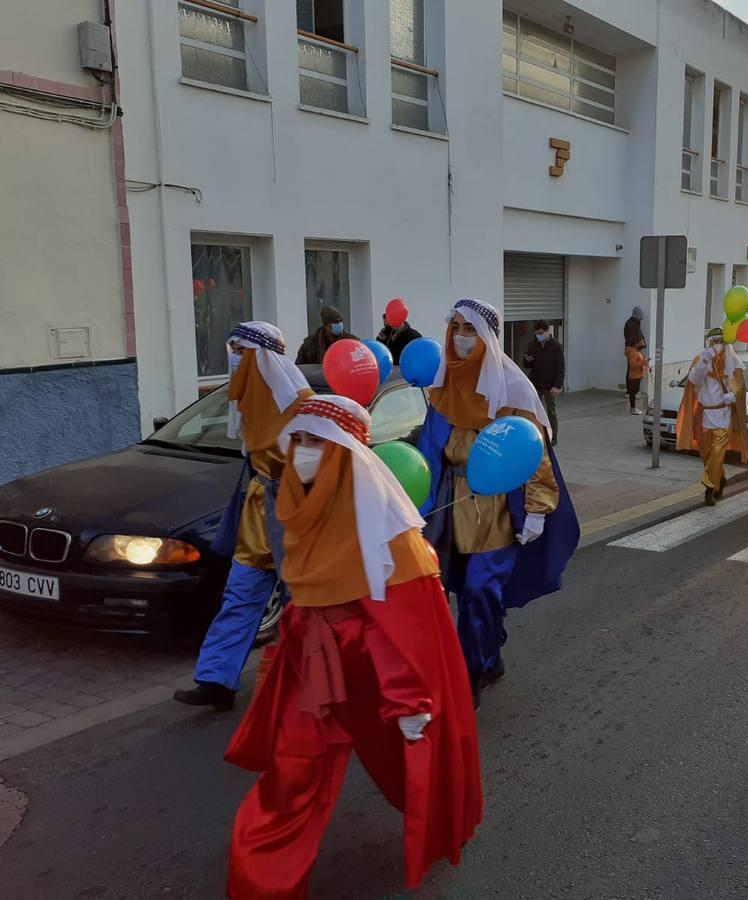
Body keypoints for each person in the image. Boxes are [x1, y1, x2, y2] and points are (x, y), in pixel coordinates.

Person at [224, 395, 482, 898]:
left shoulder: (393, 540)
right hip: (315, 678)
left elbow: (404, 629)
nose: (301, 450)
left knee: (411, 764)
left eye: (315, 441)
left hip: (374, 682)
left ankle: (435, 818)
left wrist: (410, 698)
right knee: (290, 773)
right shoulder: (301, 512)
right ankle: (260, 883)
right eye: (297, 438)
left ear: (343, 451)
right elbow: (302, 608)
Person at [417, 299, 579, 705]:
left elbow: (532, 450)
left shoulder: (512, 388)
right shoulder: (443, 385)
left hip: (494, 507)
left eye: (469, 330)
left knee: (478, 589)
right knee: (451, 588)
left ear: (487, 336)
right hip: (448, 504)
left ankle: (469, 670)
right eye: (454, 327)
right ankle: (489, 654)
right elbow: (427, 452)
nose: (459, 337)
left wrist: (538, 510)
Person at [175, 322, 314, 710]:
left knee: (300, 601)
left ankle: (305, 681)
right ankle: (216, 680)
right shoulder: (247, 397)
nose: (235, 358)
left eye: (241, 350)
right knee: (240, 593)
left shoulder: (299, 402)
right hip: (257, 507)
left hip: (293, 510)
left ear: (262, 355)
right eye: (232, 349)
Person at [677, 327, 748, 506]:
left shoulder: (735, 362)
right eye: (714, 342)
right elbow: (693, 381)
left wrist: (732, 396)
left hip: (723, 414)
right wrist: (704, 361)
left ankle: (709, 488)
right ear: (709, 343)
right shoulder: (701, 360)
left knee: (717, 452)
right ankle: (720, 478)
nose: (718, 345)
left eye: (721, 342)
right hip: (705, 415)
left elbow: (740, 389)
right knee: (707, 455)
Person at [522, 320, 565, 445]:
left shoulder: (556, 346)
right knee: (533, 411)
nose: (539, 336)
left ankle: (553, 436)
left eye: (541, 333)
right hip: (535, 382)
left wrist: (557, 385)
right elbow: (527, 364)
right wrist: (527, 360)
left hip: (550, 384)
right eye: (537, 333)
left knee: (551, 411)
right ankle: (535, 434)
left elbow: (560, 367)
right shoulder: (533, 344)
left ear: (547, 331)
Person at [625, 338, 649, 415]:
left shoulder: (638, 352)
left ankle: (633, 408)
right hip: (634, 376)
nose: (643, 344)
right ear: (636, 344)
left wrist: (645, 363)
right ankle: (632, 408)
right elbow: (633, 365)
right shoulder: (633, 353)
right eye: (641, 342)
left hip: (638, 375)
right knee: (633, 392)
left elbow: (641, 363)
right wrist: (643, 361)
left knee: (635, 391)